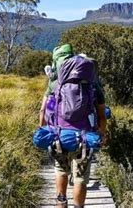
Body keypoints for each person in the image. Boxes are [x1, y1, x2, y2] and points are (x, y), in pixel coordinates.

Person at [38, 44, 107, 208]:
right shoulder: (93, 86)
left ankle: (61, 202)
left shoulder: (55, 84)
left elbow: (43, 111)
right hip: (84, 137)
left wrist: (43, 130)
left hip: (59, 135)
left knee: (61, 170)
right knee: (80, 178)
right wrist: (101, 135)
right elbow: (102, 117)